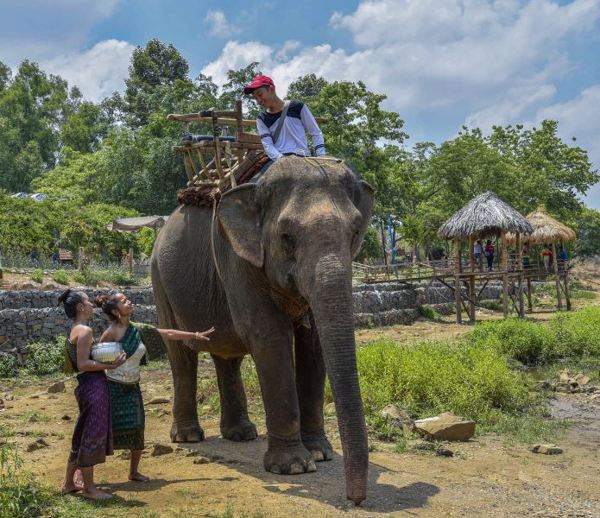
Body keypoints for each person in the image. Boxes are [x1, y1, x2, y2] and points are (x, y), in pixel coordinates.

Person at [94, 293, 215, 482]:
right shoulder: (110, 333)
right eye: (124, 301)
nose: (130, 302)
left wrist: (195, 335)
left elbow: (168, 333)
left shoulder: (138, 329)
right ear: (117, 312)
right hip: (113, 389)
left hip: (132, 387)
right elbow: (97, 360)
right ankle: (83, 472)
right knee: (102, 430)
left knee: (138, 427)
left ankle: (133, 471)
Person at [58, 289, 126, 500]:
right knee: (92, 434)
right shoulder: (85, 331)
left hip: (85, 385)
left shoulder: (76, 329)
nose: (91, 305)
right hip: (93, 386)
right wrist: (111, 364)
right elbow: (83, 364)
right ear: (80, 307)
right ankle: (89, 488)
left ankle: (69, 483)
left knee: (81, 433)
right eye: (87, 302)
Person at [243, 75, 326, 179]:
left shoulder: (298, 107)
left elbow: (315, 132)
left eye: (260, 94)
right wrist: (282, 160)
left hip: (303, 156)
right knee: (255, 185)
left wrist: (321, 157)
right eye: (255, 98)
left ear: (272, 89)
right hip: (278, 160)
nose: (258, 101)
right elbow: (268, 145)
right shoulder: (262, 118)